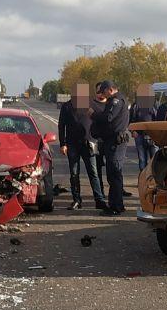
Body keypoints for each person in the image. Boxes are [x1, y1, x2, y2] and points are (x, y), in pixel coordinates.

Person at [58, 82, 106, 210]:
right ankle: (76, 200)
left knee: (93, 173)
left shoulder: (92, 104)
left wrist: (98, 138)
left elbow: (101, 120)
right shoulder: (67, 106)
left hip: (89, 143)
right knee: (74, 174)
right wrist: (63, 144)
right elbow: (61, 125)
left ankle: (99, 200)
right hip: (72, 145)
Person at [91, 80, 130, 214]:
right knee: (113, 175)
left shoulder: (116, 101)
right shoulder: (115, 100)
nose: (102, 95)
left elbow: (108, 118)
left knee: (114, 174)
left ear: (109, 89)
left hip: (115, 142)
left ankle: (115, 207)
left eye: (103, 92)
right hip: (112, 141)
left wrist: (93, 115)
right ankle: (116, 204)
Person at [129, 87, 158, 173]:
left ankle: (155, 180)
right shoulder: (135, 106)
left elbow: (158, 119)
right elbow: (130, 120)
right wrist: (133, 131)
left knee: (155, 160)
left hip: (153, 136)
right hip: (139, 136)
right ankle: (143, 180)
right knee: (142, 161)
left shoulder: (154, 105)